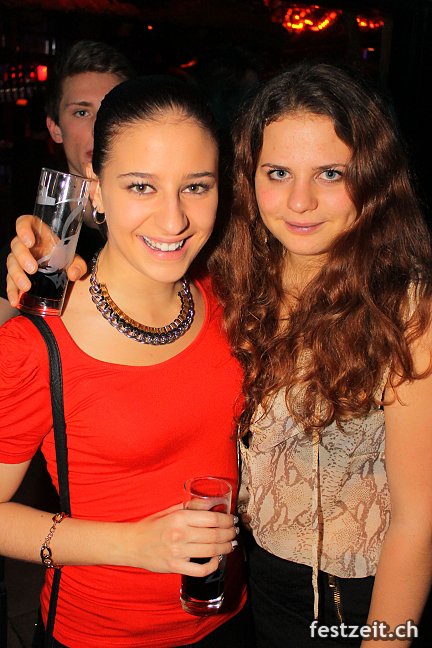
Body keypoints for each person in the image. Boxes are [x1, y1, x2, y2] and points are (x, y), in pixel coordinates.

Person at [0, 75, 249, 647]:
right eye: (141, 186)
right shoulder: (39, 343)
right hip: (99, 633)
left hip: (232, 619)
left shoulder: (230, 299)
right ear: (95, 187)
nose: (173, 220)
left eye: (196, 186)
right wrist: (136, 545)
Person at [208, 61, 432, 646]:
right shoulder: (231, 282)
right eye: (278, 172)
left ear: (373, 178)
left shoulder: (406, 310)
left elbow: (418, 521)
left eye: (330, 173)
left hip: (359, 599)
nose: (300, 201)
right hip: (252, 587)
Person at [0, 39, 133, 322]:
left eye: (112, 109)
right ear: (55, 128)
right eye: (81, 112)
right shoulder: (34, 244)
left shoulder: (161, 227)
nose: (99, 127)